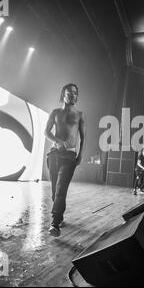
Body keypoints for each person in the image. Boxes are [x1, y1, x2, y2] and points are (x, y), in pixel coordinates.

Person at [44, 83, 86, 237]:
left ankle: (54, 223)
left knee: (61, 189)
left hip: (69, 157)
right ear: (63, 94)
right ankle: (59, 216)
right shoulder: (55, 112)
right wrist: (58, 141)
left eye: (75, 93)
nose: (73, 95)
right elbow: (46, 132)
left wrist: (80, 154)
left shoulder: (80, 114)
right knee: (56, 192)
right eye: (70, 92)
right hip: (54, 154)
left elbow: (83, 136)